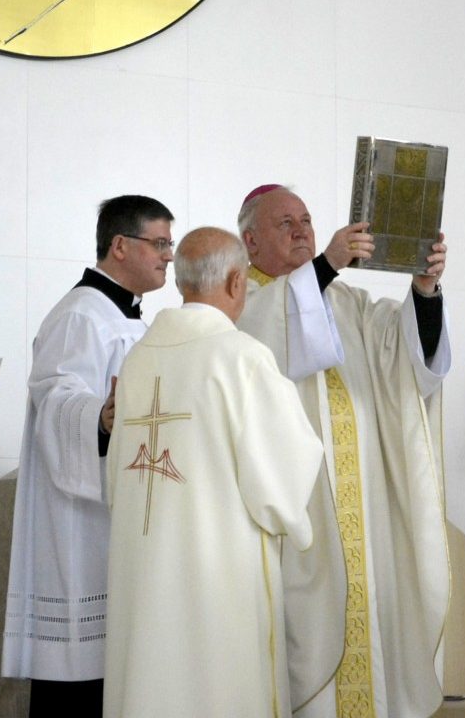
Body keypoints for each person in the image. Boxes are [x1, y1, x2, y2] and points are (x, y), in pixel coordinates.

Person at [236, 184, 452, 718]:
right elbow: (270, 337)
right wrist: (328, 264)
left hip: (366, 519)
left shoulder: (347, 303)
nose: (301, 230)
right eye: (285, 223)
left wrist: (424, 290)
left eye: (306, 220)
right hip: (298, 520)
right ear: (250, 241)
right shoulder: (244, 306)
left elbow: (406, 365)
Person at [103, 227, 327, 717]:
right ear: (235, 282)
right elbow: (283, 483)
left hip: (143, 577)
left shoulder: (138, 360)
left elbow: (114, 484)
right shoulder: (242, 357)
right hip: (218, 579)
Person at [2, 195, 175, 716]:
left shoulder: (133, 319)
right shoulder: (81, 313)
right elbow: (55, 393)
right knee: (78, 691)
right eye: (159, 243)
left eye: (169, 244)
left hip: (119, 522)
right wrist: (99, 417)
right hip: (79, 531)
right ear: (120, 245)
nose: (168, 255)